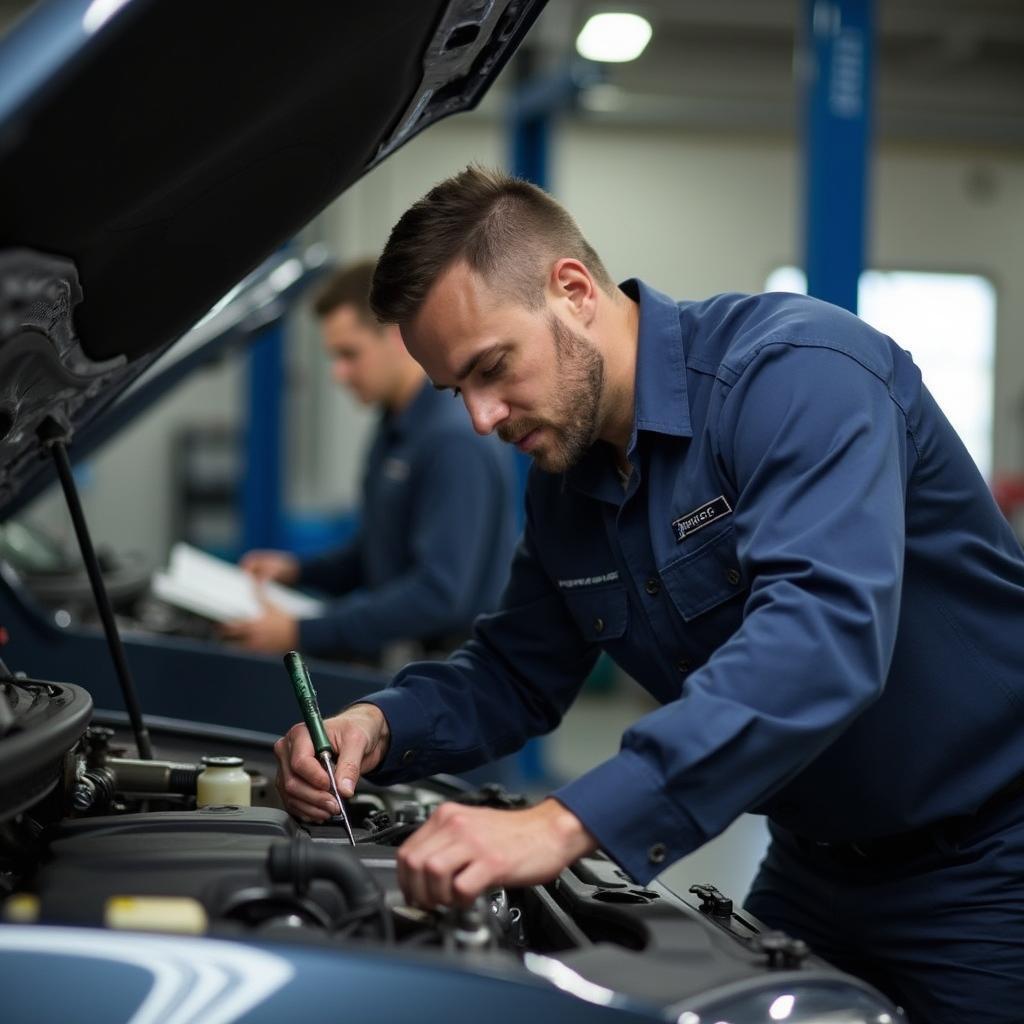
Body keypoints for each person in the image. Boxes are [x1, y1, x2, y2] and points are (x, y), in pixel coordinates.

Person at [273, 168, 1024, 1022]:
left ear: (573, 290)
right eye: (457, 392)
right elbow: (515, 672)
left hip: (988, 864)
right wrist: (377, 723)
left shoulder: (795, 376)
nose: (482, 419)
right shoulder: (568, 482)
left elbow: (821, 642)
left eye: (491, 368)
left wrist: (562, 823)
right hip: (817, 865)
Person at [227, 258, 518, 665]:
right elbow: (377, 555)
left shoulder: (452, 440)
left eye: (349, 354)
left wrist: (301, 631)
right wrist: (297, 571)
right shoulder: (395, 426)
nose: (339, 374)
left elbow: (439, 594)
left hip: (463, 680)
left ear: (398, 337)